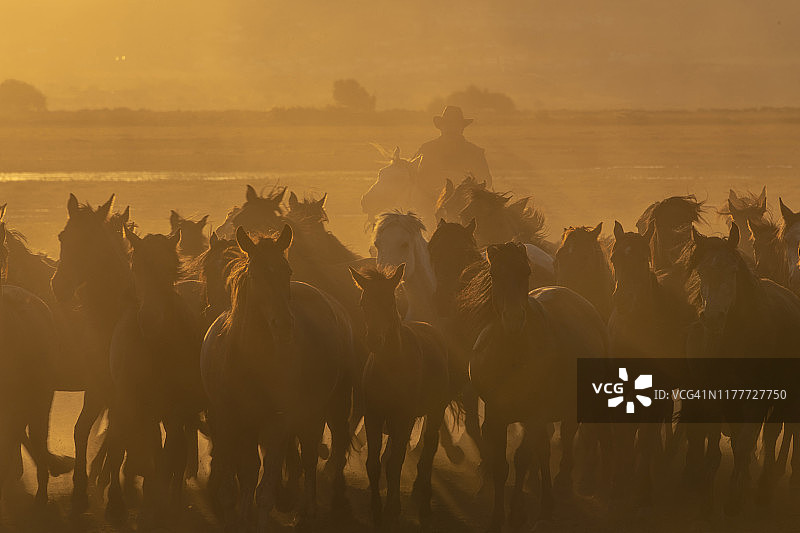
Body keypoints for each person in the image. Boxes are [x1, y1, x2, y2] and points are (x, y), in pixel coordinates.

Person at [414, 106, 493, 198]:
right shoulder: (426, 149)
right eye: (447, 125)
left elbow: (487, 182)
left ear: (462, 128)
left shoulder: (475, 153)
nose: (451, 128)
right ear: (441, 127)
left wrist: (462, 181)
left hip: (463, 205)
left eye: (455, 125)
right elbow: (411, 175)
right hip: (427, 202)